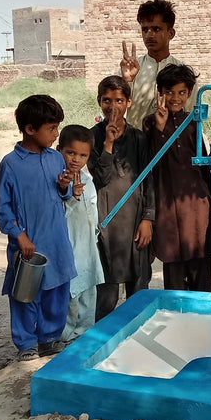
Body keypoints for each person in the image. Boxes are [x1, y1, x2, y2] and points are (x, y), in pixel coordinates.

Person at [0, 95, 77, 361]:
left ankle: (49, 339)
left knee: (57, 289)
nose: (56, 134)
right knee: (25, 293)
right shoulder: (11, 164)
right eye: (51, 129)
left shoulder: (55, 159)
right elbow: (3, 208)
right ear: (30, 129)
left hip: (56, 239)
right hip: (27, 242)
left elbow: (66, 193)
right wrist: (19, 236)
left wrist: (65, 186)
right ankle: (26, 342)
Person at [88, 76, 155, 321]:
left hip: (136, 220)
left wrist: (148, 218)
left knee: (138, 286)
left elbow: (148, 179)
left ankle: (138, 336)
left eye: (118, 100)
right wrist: (108, 143)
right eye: (107, 100)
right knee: (106, 293)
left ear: (128, 102)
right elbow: (100, 177)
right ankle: (103, 341)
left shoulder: (138, 138)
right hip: (107, 223)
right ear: (99, 102)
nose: (112, 106)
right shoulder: (92, 137)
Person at [144, 64, 211, 291]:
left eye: (181, 92)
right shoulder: (150, 122)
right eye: (169, 92)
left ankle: (203, 321)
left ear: (190, 93)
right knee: (173, 274)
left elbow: (204, 167)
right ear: (160, 92)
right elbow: (151, 162)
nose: (175, 98)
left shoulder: (194, 123)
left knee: (200, 271)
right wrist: (160, 128)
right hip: (167, 206)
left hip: (196, 206)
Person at [57, 124, 104, 341]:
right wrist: (70, 195)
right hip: (68, 246)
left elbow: (92, 211)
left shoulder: (88, 181)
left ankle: (84, 333)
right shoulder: (58, 181)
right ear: (59, 150)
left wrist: (95, 235)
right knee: (70, 294)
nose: (76, 159)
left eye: (82, 155)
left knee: (88, 290)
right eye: (71, 153)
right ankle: (66, 335)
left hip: (87, 246)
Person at [119, 0, 194, 127]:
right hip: (138, 143)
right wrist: (127, 81)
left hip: (172, 144)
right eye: (145, 29)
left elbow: (191, 114)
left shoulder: (183, 73)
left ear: (170, 33)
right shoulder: (130, 69)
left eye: (156, 29)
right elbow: (118, 108)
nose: (149, 35)